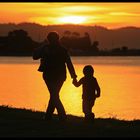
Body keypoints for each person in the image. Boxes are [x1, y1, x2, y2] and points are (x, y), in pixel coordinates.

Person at [33, 31, 77, 121]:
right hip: (52, 76)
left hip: (55, 76)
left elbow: (69, 63)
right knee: (54, 95)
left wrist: (74, 77)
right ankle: (51, 116)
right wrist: (73, 77)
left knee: (54, 95)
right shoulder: (51, 49)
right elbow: (35, 56)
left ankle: (59, 116)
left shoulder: (60, 50)